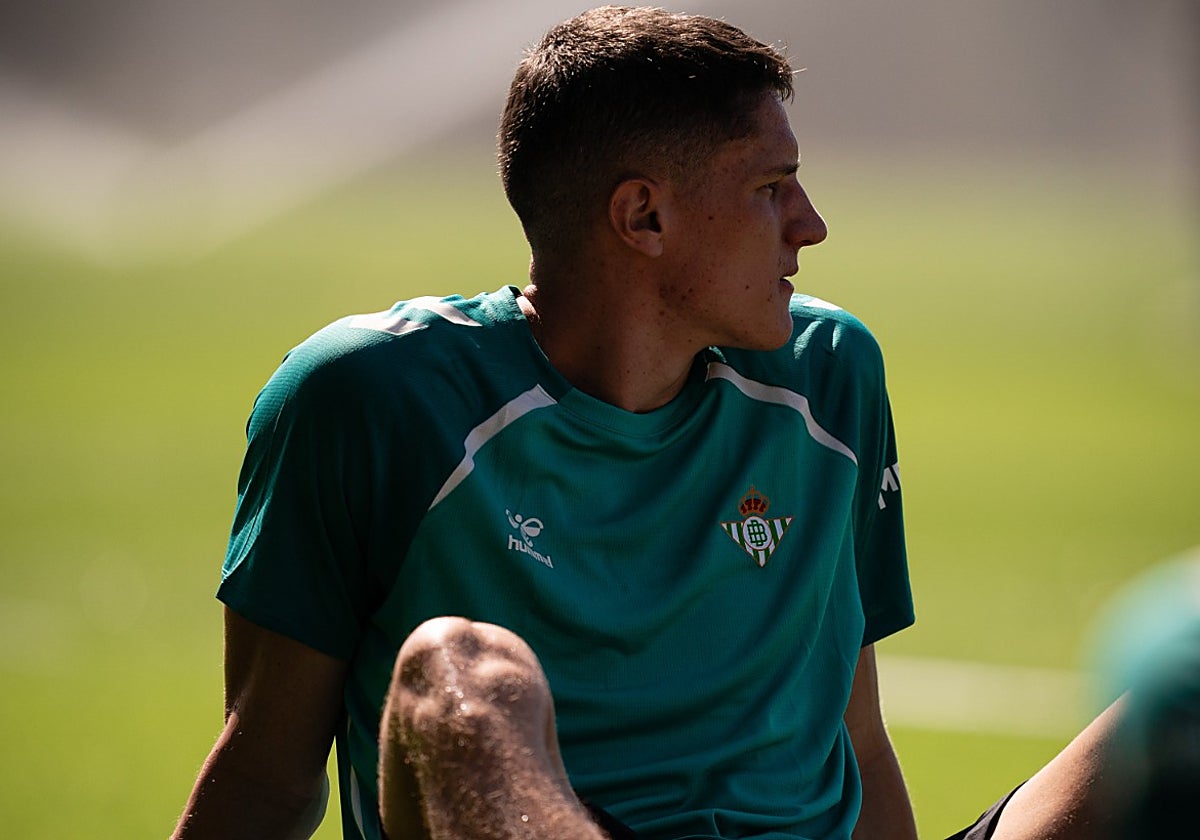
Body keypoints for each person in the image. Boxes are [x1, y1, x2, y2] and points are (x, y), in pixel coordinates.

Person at [170, 7, 1105, 839]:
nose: (810, 225)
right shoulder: (371, 397)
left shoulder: (830, 376)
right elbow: (265, 776)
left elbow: (854, 744)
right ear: (643, 216)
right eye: (770, 187)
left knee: (1172, 700)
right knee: (457, 674)